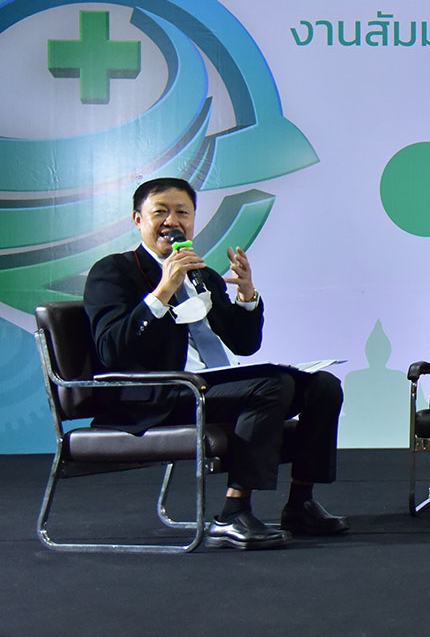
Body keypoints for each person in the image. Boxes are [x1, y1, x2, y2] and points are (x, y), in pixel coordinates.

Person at [82, 177, 347, 550]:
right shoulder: (113, 272)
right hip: (160, 395)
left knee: (323, 385)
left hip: (211, 384)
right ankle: (232, 513)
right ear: (138, 220)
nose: (172, 222)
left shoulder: (202, 275)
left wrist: (247, 296)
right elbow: (111, 348)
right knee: (273, 387)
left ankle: (300, 504)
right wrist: (163, 291)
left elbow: (245, 344)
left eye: (182, 213)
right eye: (160, 212)